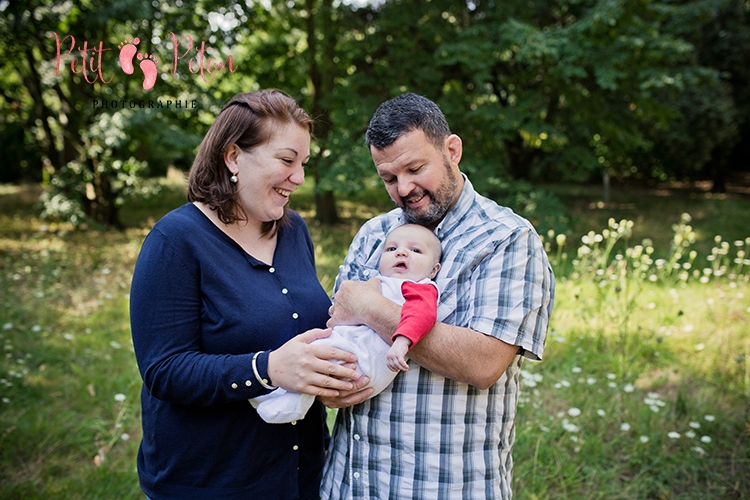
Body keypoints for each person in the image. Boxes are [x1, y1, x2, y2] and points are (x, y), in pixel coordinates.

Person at [319, 93, 555, 499]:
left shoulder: (506, 239)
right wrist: (327, 383)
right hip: (352, 483)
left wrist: (370, 306)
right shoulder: (375, 235)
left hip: (444, 485)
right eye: (389, 178)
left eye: (415, 168)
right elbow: (336, 329)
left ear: (452, 150)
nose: (404, 188)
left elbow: (483, 363)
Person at [129, 89, 362, 500]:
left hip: (298, 476)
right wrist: (267, 369)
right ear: (233, 156)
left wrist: (330, 375)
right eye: (287, 160)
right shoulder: (175, 241)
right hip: (212, 482)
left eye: (303, 164)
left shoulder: (294, 231)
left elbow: (302, 331)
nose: (300, 178)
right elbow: (164, 370)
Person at [251, 223, 441, 424]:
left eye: (415, 250)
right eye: (391, 249)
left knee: (318, 360)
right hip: (355, 346)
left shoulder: (421, 287)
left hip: (370, 358)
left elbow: (421, 316)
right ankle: (279, 390)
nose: (401, 253)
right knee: (314, 355)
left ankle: (294, 401)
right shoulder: (382, 280)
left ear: (433, 270)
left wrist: (402, 343)